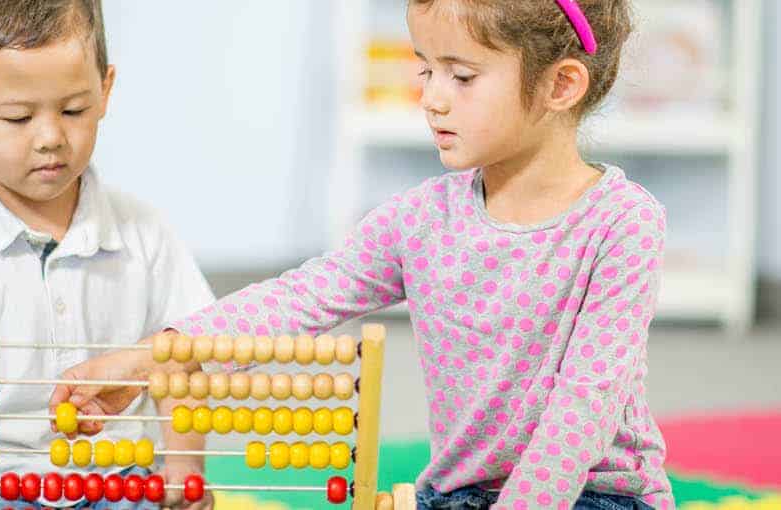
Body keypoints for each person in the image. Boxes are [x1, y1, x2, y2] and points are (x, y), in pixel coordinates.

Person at [51, 1, 674, 509]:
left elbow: (585, 405)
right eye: (425, 69)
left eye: (461, 76)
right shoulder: (422, 219)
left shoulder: (621, 223)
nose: (430, 97)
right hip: (457, 495)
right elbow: (301, 297)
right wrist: (147, 357)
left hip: (596, 494)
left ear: (561, 84)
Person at [0, 1, 214, 508]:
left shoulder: (146, 235)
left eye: (74, 109)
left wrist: (183, 476)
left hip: (120, 480)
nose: (51, 137)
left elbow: (182, 359)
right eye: (18, 117)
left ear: (105, 90)